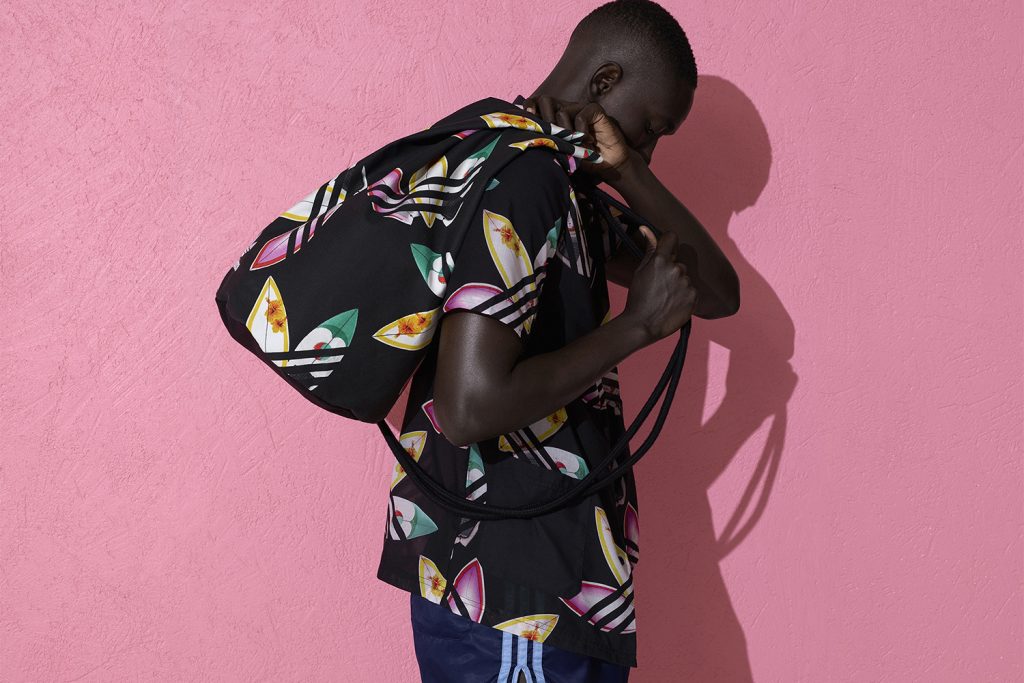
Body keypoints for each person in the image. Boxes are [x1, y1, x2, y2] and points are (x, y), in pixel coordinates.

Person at [376, 1, 740, 680]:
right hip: (513, 592)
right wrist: (637, 326)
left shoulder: (564, 185)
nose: (650, 148)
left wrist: (628, 170)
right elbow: (469, 408)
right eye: (651, 128)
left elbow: (718, 293)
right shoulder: (522, 181)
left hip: (550, 577)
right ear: (605, 82)